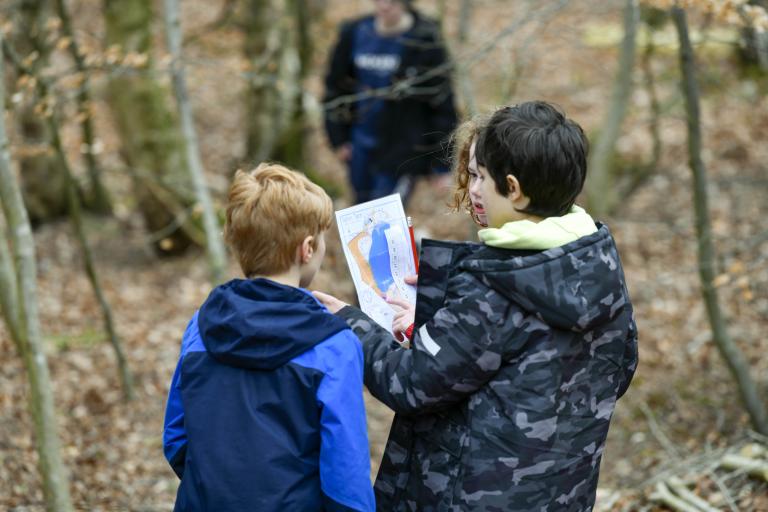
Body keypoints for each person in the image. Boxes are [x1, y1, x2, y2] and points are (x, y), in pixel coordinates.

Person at [314, 102, 639, 511]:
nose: (472, 188)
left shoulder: (495, 291)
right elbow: (615, 370)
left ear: (514, 189)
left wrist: (349, 323)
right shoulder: (597, 268)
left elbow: (413, 383)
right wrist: (437, 328)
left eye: (480, 176)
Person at [162, 163, 375, 512]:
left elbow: (177, 437)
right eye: (322, 239)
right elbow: (345, 472)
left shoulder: (201, 326)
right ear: (307, 248)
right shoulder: (333, 344)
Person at [323, 0, 458, 205]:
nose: (384, 6)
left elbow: (442, 104)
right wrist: (338, 138)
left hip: (402, 151)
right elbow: (335, 88)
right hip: (360, 146)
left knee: (386, 215)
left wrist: (441, 164)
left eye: (392, 1)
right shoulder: (354, 32)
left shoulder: (424, 40)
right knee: (361, 209)